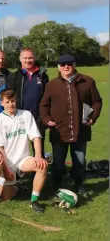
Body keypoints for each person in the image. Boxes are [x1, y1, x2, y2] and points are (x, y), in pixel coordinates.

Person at [39, 54, 103, 198]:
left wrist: (93, 118)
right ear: (58, 67)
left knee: (79, 160)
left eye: (69, 64)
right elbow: (44, 105)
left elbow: (97, 102)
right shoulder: (52, 84)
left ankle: (79, 184)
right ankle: (57, 185)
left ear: (74, 65)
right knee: (58, 161)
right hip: (59, 130)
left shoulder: (87, 81)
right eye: (62, 65)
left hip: (81, 129)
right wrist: (46, 119)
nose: (66, 67)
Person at [0, 88, 47, 213]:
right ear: (2, 103)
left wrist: (38, 156)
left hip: (23, 159)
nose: (11, 104)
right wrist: (6, 169)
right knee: (6, 197)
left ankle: (34, 201)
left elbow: (36, 137)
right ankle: (18, 187)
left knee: (41, 166)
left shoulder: (26, 114)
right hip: (7, 161)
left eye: (13, 101)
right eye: (7, 102)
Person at [6, 48, 49, 152]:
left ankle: (38, 167)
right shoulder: (15, 76)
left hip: (38, 117)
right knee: (18, 148)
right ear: (20, 59)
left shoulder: (42, 75)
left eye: (30, 58)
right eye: (25, 58)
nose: (28, 60)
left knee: (38, 149)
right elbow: (10, 96)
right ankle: (19, 168)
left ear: (34, 58)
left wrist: (45, 115)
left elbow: (48, 96)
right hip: (20, 117)